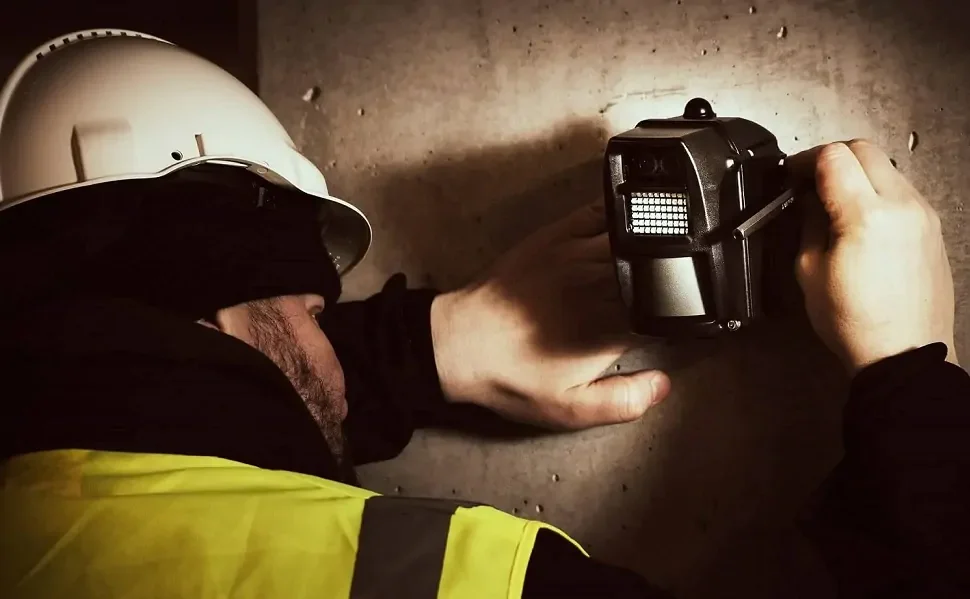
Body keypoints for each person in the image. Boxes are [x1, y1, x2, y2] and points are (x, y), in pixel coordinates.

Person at [0, 30, 967, 599]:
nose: (336, 343)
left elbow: (162, 411)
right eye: (320, 310)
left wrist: (421, 352)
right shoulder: (449, 578)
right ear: (256, 283)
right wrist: (913, 380)